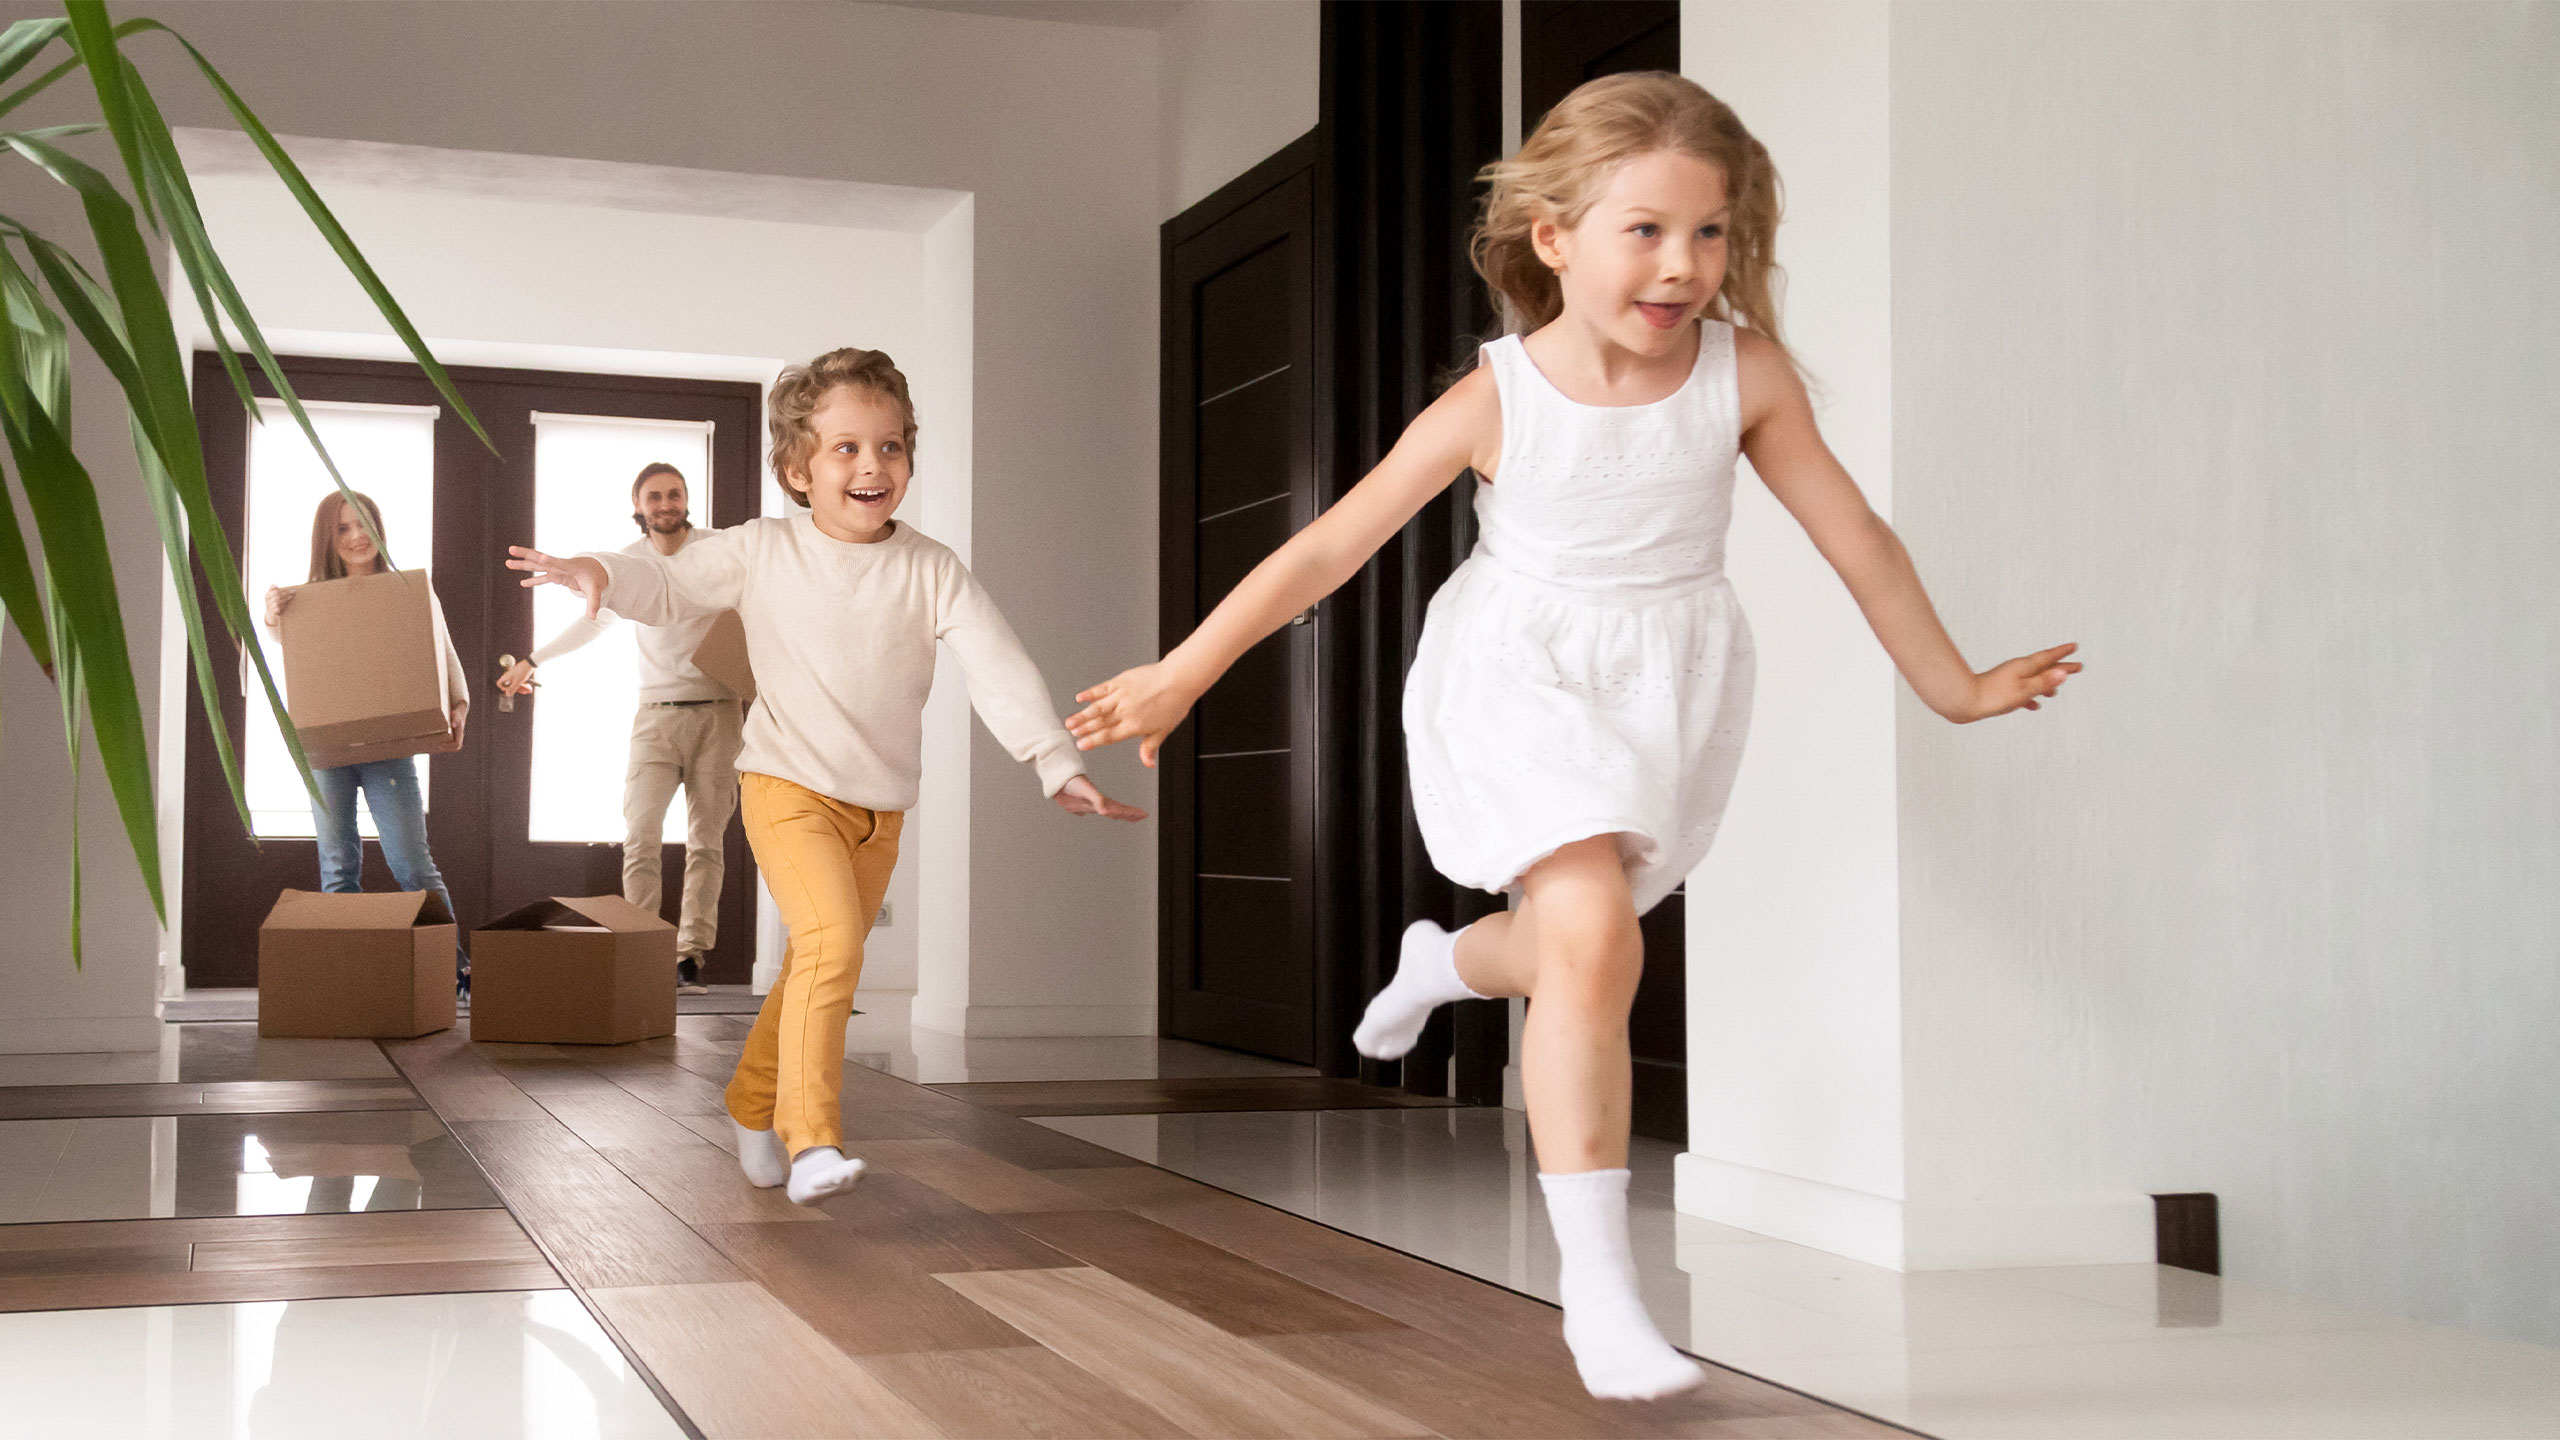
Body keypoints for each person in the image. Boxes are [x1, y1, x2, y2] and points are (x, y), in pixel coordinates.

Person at [1066, 72, 2081, 1400]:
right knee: (1599, 935)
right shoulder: (1500, 398)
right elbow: (1327, 548)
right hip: (1519, 670)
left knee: (1573, 944)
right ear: (1554, 237)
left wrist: (1951, 684)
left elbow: (1857, 539)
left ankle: (1443, 961)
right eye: (1645, 231)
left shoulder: (1747, 375)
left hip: (1667, 678)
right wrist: (1185, 673)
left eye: (1709, 233)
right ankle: (1603, 1297)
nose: (1681, 267)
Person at [506, 347, 1144, 1207]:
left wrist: (1053, 762)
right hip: (785, 785)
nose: (871, 465)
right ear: (798, 469)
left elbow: (1000, 667)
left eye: (889, 446)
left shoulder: (931, 568)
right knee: (836, 947)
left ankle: (750, 1101)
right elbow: (665, 581)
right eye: (845, 449)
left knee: (818, 957)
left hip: (878, 810)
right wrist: (599, 572)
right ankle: (813, 1142)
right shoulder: (760, 550)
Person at [497, 464, 736, 996]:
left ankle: (689, 956)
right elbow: (594, 617)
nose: (666, 503)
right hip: (655, 715)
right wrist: (534, 659)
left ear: (686, 500)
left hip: (720, 712)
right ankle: (642, 947)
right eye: (655, 496)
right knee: (641, 836)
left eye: (674, 494)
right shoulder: (629, 563)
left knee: (706, 842)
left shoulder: (719, 550)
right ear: (639, 505)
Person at [265, 490, 473, 997]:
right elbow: (292, 650)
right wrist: (273, 616)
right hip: (326, 750)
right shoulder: (307, 598)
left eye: (365, 524)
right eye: (343, 529)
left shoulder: (405, 590)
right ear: (328, 540)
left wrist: (459, 703)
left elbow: (439, 645)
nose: (357, 536)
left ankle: (458, 969)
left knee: (410, 861)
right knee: (338, 865)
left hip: (389, 743)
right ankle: (347, 975)